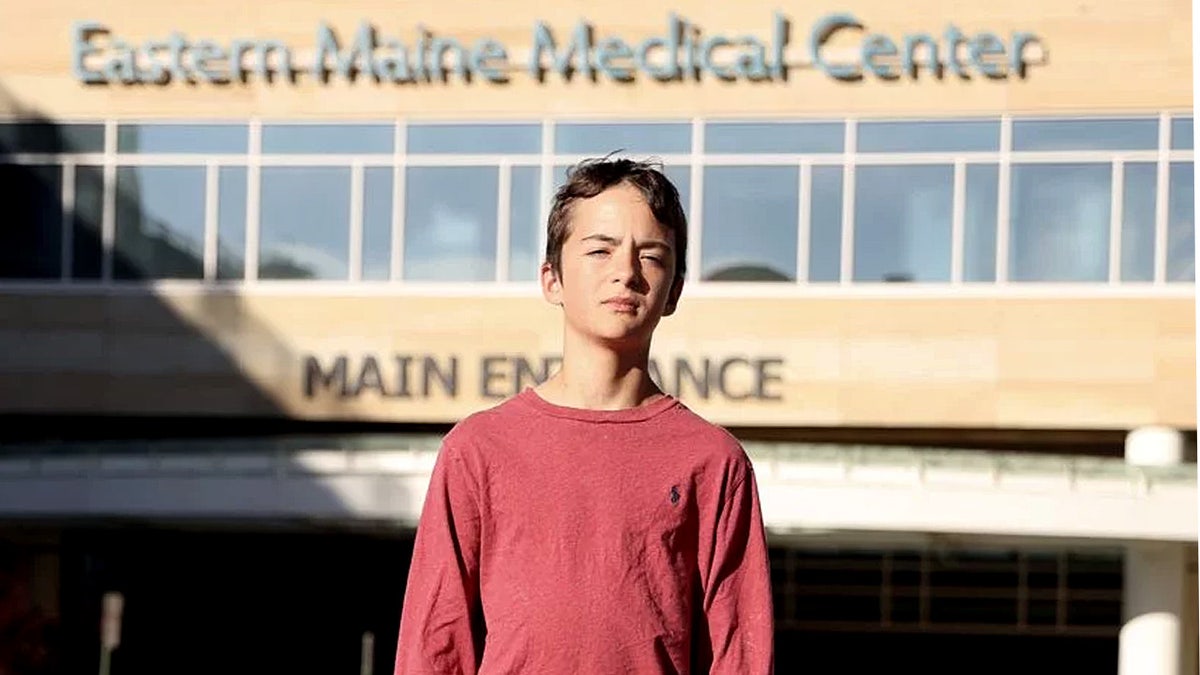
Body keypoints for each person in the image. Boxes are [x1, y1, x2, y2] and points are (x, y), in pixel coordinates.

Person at [394, 157, 774, 674]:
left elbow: (741, 654)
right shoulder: (479, 449)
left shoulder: (712, 461)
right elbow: (434, 642)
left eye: (652, 255)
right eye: (600, 250)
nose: (626, 272)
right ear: (552, 280)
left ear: (674, 291)